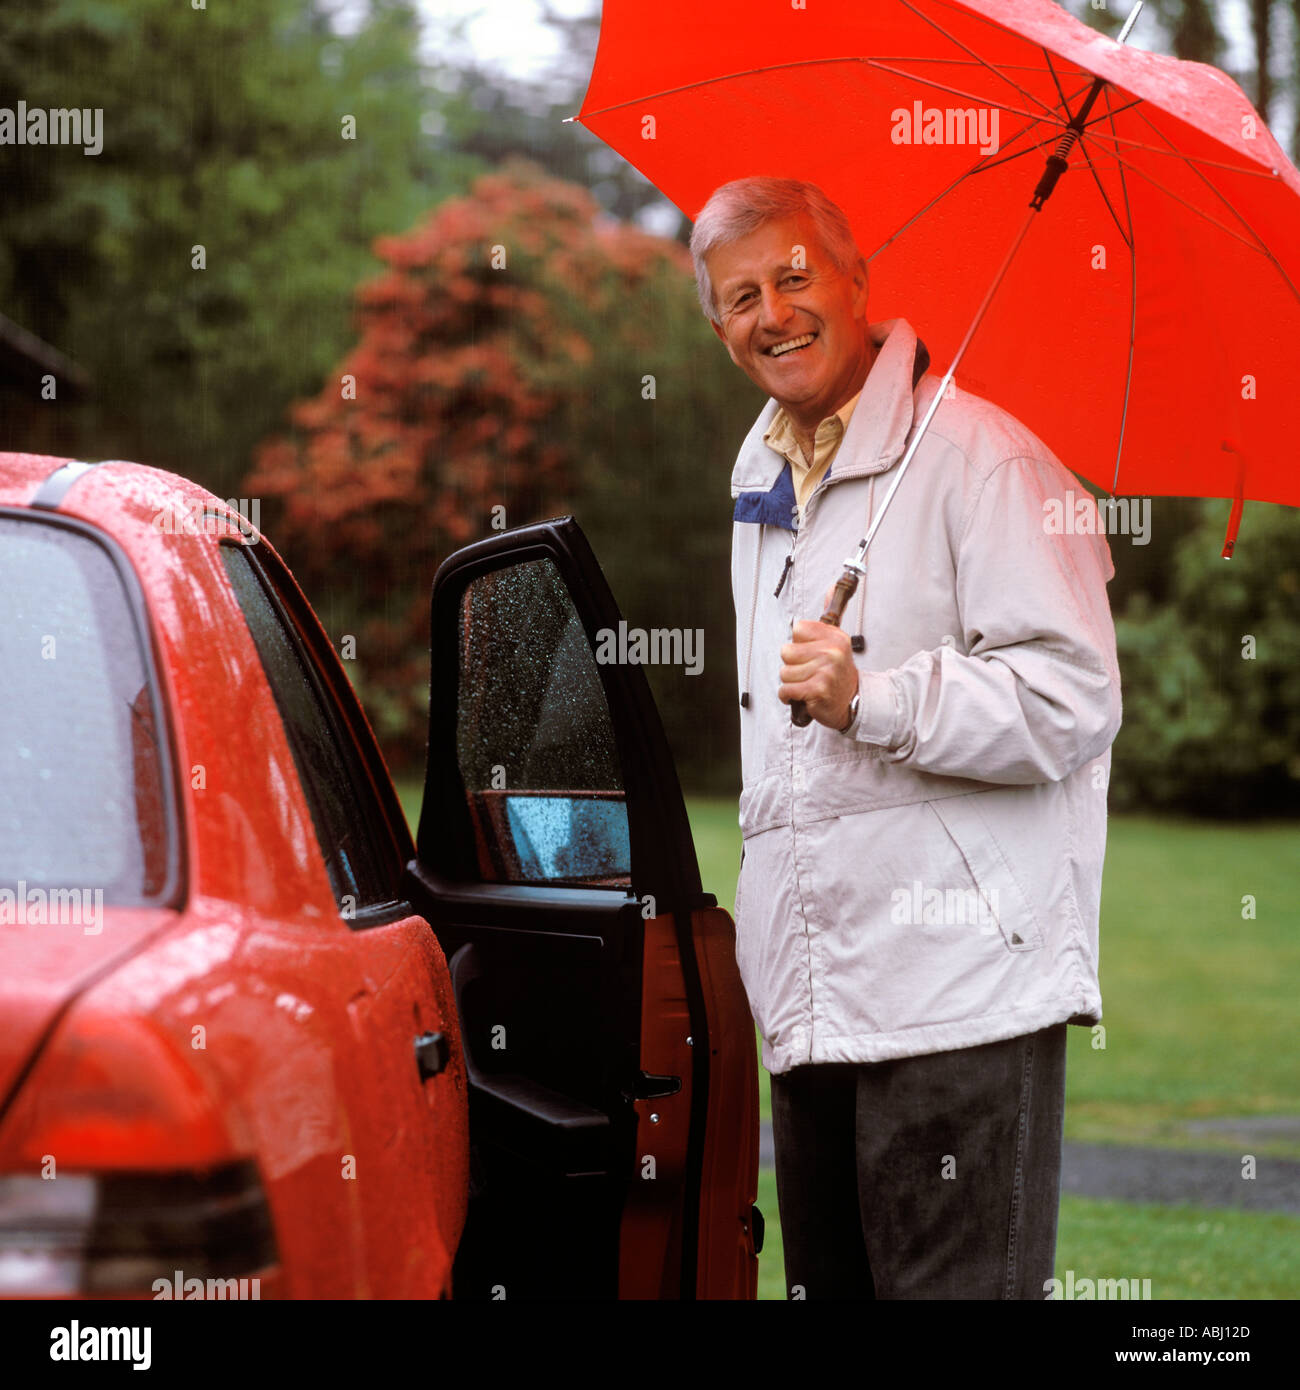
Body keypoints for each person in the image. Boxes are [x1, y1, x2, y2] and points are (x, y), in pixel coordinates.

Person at [690, 176, 1122, 1300]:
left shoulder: (990, 458)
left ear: (855, 277)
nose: (771, 314)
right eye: (739, 297)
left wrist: (873, 697)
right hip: (816, 998)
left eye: (793, 277)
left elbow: (1073, 697)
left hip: (958, 994)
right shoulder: (757, 473)